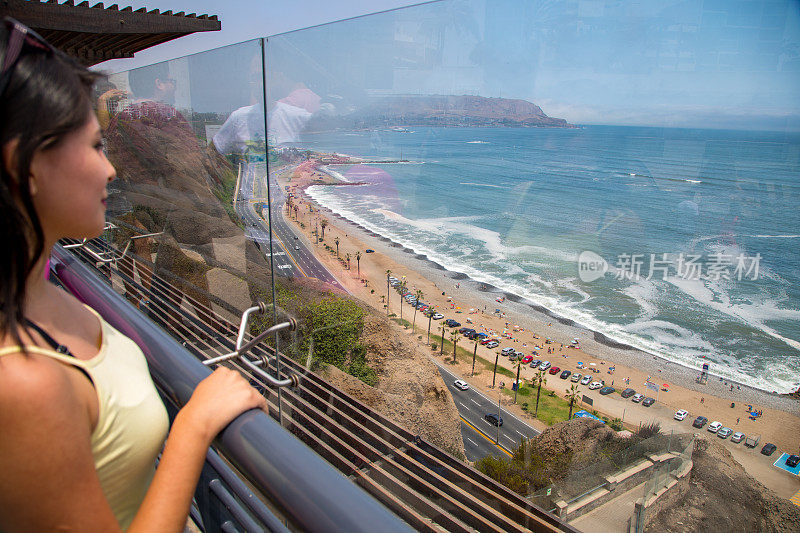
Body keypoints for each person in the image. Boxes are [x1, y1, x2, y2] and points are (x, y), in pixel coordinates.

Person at [0, 19, 265, 531]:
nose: (112, 171)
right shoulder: (24, 384)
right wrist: (194, 424)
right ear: (26, 166)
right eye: (96, 147)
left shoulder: (40, 294)